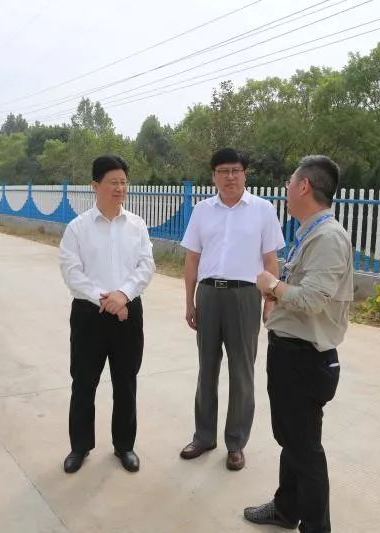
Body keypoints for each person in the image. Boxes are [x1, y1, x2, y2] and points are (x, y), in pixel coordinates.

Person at [244, 155, 353, 532]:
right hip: (290, 353)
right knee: (293, 439)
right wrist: (279, 293)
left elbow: (312, 300)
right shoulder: (311, 232)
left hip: (305, 359)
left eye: (290, 183)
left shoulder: (328, 238)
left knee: (305, 450)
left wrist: (272, 285)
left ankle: (315, 527)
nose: (286, 189)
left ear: (304, 186)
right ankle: (286, 508)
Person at [179, 148, 284, 471]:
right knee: (206, 369)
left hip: (244, 296)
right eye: (223, 171)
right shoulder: (202, 211)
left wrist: (269, 301)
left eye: (235, 170)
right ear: (213, 176)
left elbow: (270, 261)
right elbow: (192, 258)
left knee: (242, 372)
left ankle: (236, 443)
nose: (229, 177)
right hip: (209, 295)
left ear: (245, 174)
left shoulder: (263, 210)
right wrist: (190, 300)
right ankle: (203, 436)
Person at [58, 155, 155, 474]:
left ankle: (124, 445)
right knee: (83, 382)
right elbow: (71, 271)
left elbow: (146, 266)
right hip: (89, 315)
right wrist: (107, 299)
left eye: (123, 182)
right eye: (113, 182)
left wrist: (123, 295)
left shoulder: (137, 225)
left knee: (126, 382)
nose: (119, 188)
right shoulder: (77, 228)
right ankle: (80, 446)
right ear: (95, 185)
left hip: (129, 313)